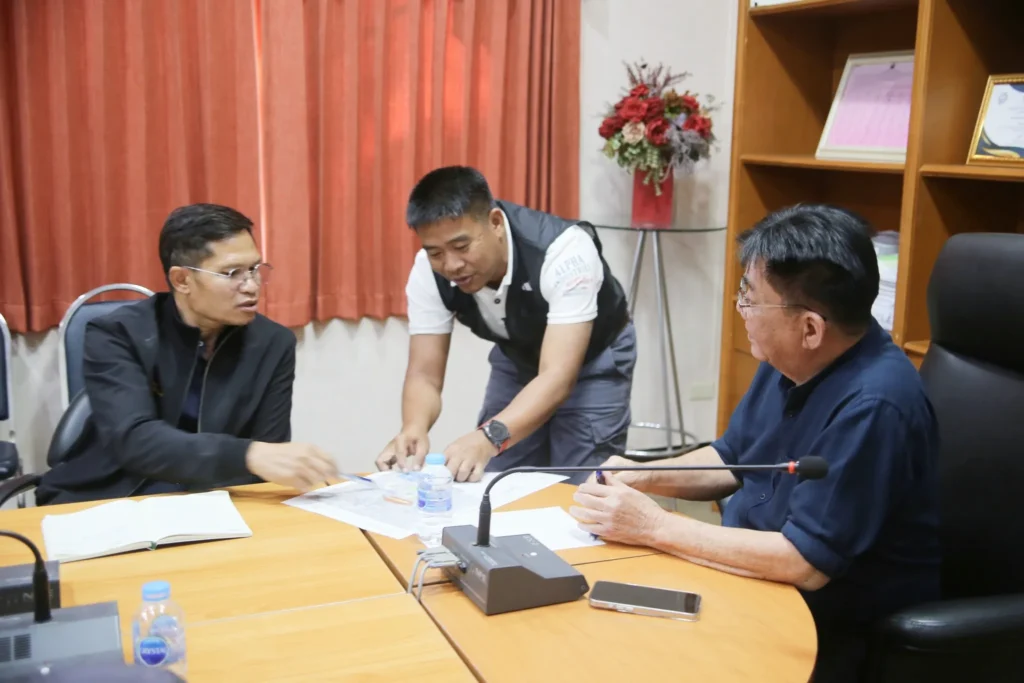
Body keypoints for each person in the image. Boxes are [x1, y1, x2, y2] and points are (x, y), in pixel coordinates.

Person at [570, 205, 940, 682]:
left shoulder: (876, 406)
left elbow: (804, 562)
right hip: (747, 579)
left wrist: (653, 525)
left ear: (810, 327)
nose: (739, 307)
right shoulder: (791, 356)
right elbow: (731, 459)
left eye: (750, 297)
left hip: (827, 624)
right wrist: (643, 473)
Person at [36, 203, 338, 504]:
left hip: (215, 502)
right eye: (232, 273)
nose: (251, 286)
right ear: (182, 280)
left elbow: (269, 453)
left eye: (254, 270)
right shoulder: (118, 333)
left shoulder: (273, 343)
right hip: (111, 498)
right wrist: (246, 455)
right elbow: (134, 441)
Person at [376, 166, 636, 483]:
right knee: (498, 480)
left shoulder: (564, 253)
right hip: (518, 355)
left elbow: (557, 376)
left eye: (462, 247)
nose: (451, 265)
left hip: (594, 361)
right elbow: (424, 375)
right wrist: (413, 427)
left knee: (582, 488)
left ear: (496, 223)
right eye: (435, 252)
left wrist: (489, 437)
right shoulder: (428, 272)